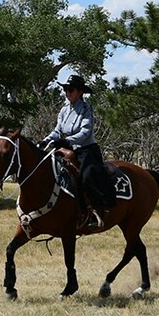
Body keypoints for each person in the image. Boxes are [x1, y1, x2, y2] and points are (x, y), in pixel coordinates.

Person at [40, 70, 114, 228]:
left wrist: (67, 141)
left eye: (70, 89)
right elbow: (57, 130)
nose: (67, 93)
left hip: (85, 150)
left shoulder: (87, 109)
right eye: (65, 89)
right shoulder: (64, 110)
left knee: (86, 176)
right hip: (65, 148)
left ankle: (96, 211)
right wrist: (45, 141)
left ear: (80, 92)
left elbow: (85, 133)